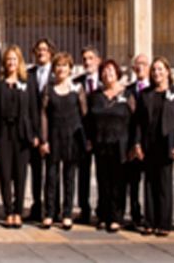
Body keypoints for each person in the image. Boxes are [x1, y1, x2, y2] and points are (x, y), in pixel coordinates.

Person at [131, 57, 174, 237]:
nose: (157, 73)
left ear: (168, 72)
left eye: (160, 69)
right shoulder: (146, 94)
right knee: (149, 184)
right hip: (149, 143)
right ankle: (150, 221)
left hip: (167, 144)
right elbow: (138, 121)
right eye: (154, 70)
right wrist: (137, 143)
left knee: (164, 184)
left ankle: (164, 223)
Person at [85, 58, 134, 234]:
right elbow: (88, 120)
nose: (107, 74)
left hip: (121, 144)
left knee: (119, 182)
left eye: (111, 71)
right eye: (104, 71)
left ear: (117, 73)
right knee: (103, 181)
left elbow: (135, 120)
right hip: (101, 143)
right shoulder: (96, 96)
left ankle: (116, 217)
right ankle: (103, 215)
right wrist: (89, 139)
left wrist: (134, 144)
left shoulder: (127, 95)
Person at [0, 45, 38, 229]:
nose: (11, 63)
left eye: (14, 59)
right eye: (8, 59)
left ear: (19, 62)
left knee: (20, 174)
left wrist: (35, 134)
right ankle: (8, 211)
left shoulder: (28, 81)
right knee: (5, 173)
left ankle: (18, 211)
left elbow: (34, 109)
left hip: (21, 132)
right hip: (3, 132)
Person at [39, 52, 86, 230]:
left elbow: (84, 114)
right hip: (54, 136)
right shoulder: (49, 89)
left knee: (69, 176)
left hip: (71, 137)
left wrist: (84, 139)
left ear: (70, 68)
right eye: (58, 65)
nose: (61, 69)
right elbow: (43, 114)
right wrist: (44, 139)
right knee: (51, 176)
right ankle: (50, 212)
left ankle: (67, 213)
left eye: (65, 65)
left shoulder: (77, 89)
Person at [72, 45, 101, 225]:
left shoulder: (106, 80)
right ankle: (84, 208)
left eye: (91, 58)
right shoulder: (77, 83)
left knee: (103, 174)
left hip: (102, 135)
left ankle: (102, 208)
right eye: (84, 59)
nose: (87, 62)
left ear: (98, 60)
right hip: (83, 135)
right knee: (82, 174)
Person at [26, 38, 53, 223]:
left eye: (44, 49)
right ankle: (37, 205)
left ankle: (52, 207)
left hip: (53, 130)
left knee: (52, 171)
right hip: (34, 130)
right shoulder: (28, 74)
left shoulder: (57, 72)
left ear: (50, 52)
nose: (41, 52)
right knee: (36, 171)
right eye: (38, 49)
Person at [123, 53, 150, 231]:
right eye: (137, 65)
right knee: (133, 183)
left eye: (143, 64)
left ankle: (151, 215)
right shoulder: (128, 90)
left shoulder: (156, 89)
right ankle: (135, 214)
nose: (140, 67)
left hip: (150, 143)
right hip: (131, 142)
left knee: (150, 183)